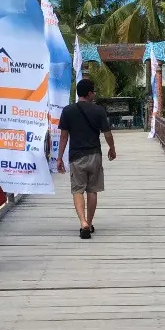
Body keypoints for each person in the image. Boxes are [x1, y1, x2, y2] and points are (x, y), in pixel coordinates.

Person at [57, 78, 116, 239]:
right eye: (93, 91)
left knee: (77, 190)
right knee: (92, 190)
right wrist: (112, 148)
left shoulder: (68, 111)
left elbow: (63, 137)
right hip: (95, 155)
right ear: (89, 93)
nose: (94, 94)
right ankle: (89, 223)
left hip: (76, 157)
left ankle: (82, 222)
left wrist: (59, 158)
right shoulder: (98, 110)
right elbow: (107, 133)